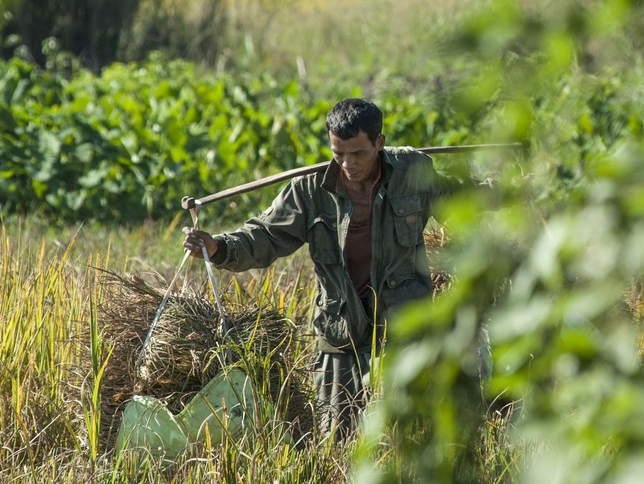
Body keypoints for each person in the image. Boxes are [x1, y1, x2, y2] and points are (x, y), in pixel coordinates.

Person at [183, 98, 458, 440]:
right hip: (340, 326)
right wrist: (218, 247)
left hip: (404, 325)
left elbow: (462, 200)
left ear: (380, 143)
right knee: (336, 436)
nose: (347, 164)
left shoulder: (412, 173)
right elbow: (266, 234)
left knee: (409, 435)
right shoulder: (311, 189)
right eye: (338, 153)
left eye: (358, 153)